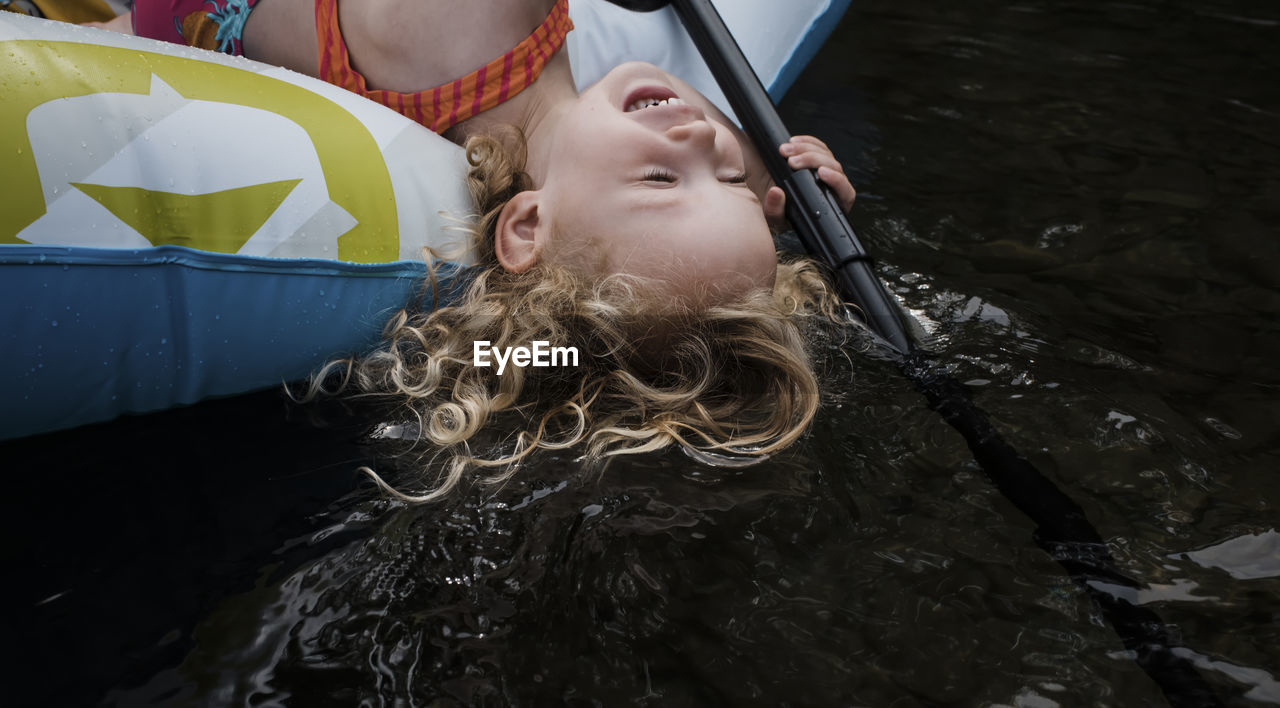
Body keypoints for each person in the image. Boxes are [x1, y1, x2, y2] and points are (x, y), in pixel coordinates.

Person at [90, 0, 860, 500]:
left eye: (664, 175)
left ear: (526, 228)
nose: (700, 135)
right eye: (727, 176)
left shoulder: (480, 21)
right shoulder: (560, 282)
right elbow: (577, 354)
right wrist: (785, 194)